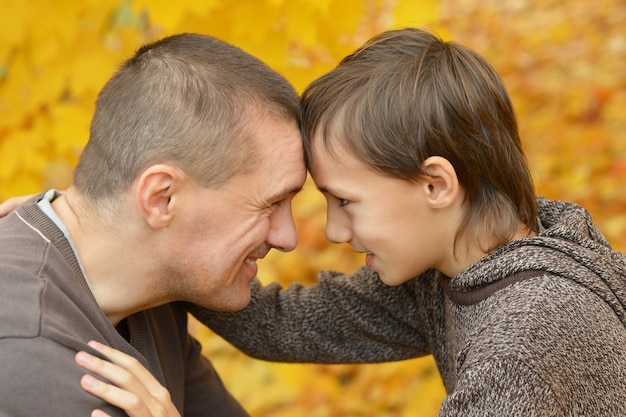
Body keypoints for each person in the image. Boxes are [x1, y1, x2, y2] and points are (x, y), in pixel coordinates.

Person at [73, 27, 626, 416]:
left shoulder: (533, 329)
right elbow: (280, 325)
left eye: (346, 202)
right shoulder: (453, 272)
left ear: (435, 184)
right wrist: (118, 217)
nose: (334, 231)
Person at [0, 32, 307, 416]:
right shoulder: (26, 357)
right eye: (272, 202)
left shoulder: (152, 294)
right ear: (161, 198)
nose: (288, 237)